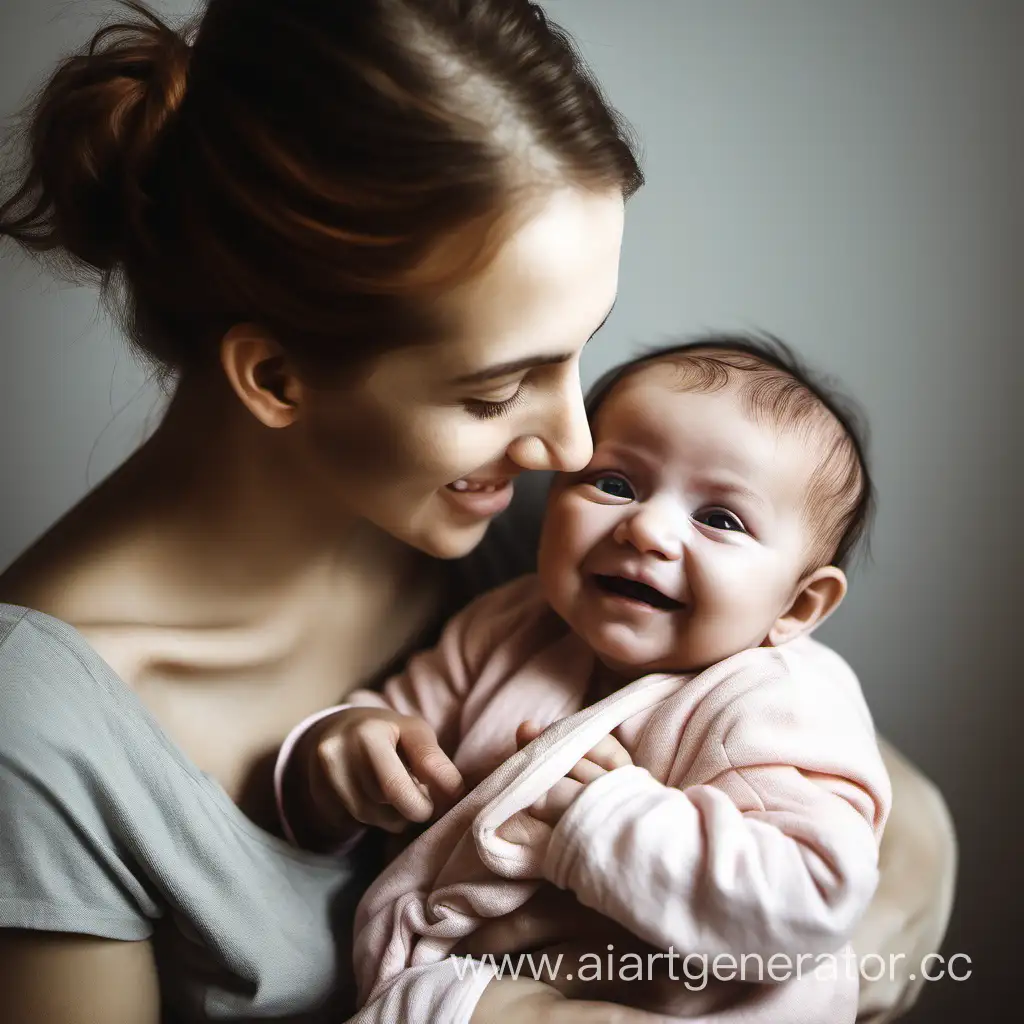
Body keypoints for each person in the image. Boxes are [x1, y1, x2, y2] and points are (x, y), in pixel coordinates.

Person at [0, 2, 954, 1023]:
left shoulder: (542, 526)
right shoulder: (38, 741)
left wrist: (784, 969)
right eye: (494, 392)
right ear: (276, 375)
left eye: (583, 350)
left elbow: (889, 822)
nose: (576, 450)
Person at [277, 336, 892, 1022]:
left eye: (720, 519)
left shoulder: (781, 702)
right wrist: (355, 740)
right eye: (615, 484)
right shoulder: (511, 625)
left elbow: (815, 897)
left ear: (798, 605)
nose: (647, 529)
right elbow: (398, 722)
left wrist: (609, 823)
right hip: (477, 974)